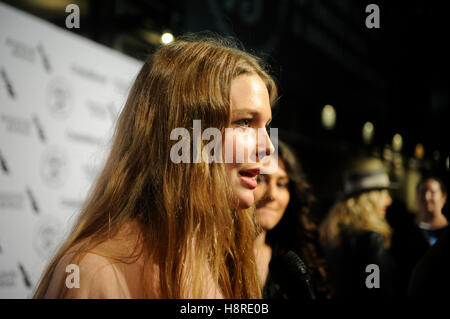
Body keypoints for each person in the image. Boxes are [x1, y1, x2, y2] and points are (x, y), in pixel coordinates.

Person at [32, 34, 277, 298]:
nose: (268, 147)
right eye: (244, 123)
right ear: (184, 132)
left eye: (266, 126)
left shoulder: (227, 262)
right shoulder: (94, 271)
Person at [253, 140, 333, 300]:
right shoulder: (205, 259)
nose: (272, 195)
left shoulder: (297, 261)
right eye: (260, 179)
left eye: (282, 184)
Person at [319, 157, 395, 298]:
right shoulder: (371, 239)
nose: (389, 200)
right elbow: (374, 290)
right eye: (383, 193)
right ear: (369, 198)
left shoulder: (330, 231)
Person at [415, 176, 448, 245]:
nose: (426, 197)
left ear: (443, 197)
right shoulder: (406, 230)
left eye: (433, 192)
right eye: (422, 192)